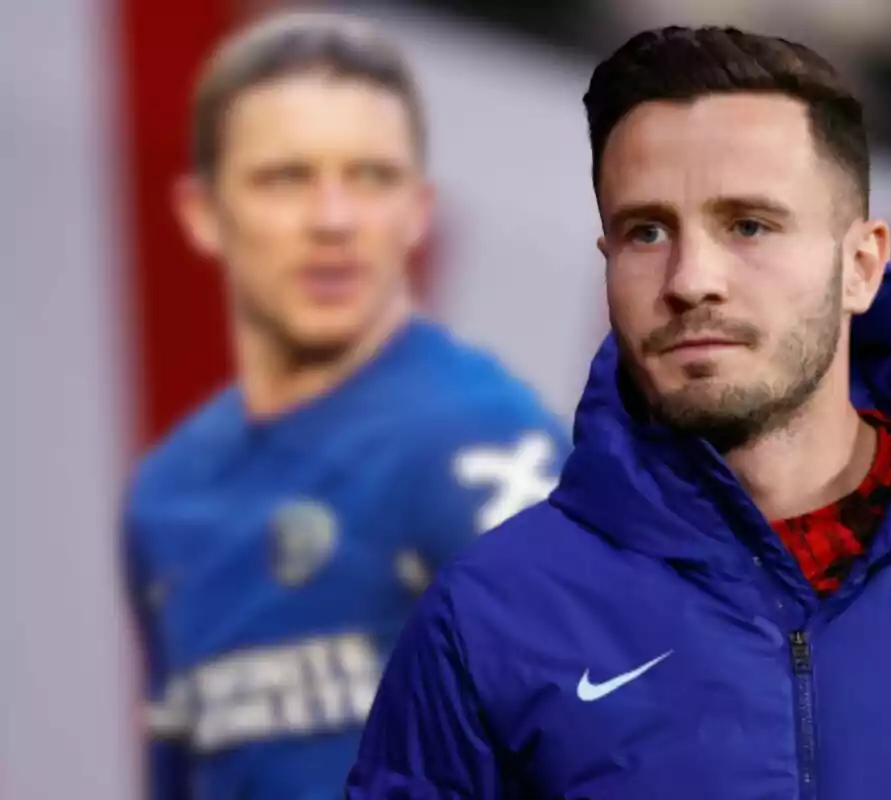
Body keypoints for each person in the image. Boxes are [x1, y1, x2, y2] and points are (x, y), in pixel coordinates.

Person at [345, 25, 891, 799]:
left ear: (861, 266)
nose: (690, 279)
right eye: (646, 231)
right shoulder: (495, 610)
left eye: (748, 226)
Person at [120, 11, 569, 800]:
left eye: (371, 177)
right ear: (202, 213)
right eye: (286, 177)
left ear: (419, 210)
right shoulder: (165, 496)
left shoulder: (476, 445)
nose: (334, 220)